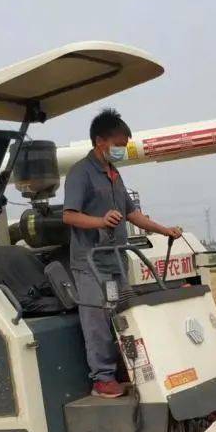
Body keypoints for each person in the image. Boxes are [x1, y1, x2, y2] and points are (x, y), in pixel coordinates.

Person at [63, 108, 182, 398]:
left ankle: (127, 370)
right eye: (118, 145)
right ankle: (102, 380)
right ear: (100, 141)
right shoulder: (81, 173)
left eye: (125, 145)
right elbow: (69, 216)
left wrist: (164, 230)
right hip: (90, 265)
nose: (122, 150)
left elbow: (133, 214)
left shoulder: (115, 175)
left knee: (125, 316)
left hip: (116, 260)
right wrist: (101, 221)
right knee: (98, 323)